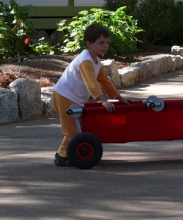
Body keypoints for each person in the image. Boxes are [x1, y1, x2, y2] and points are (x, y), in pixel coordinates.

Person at [51, 23, 129, 167]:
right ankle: (62, 156)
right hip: (65, 96)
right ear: (89, 43)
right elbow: (91, 82)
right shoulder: (85, 60)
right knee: (72, 130)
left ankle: (68, 153)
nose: (105, 46)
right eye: (101, 43)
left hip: (72, 98)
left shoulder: (96, 61)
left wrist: (118, 97)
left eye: (107, 42)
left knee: (78, 126)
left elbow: (104, 80)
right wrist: (102, 100)